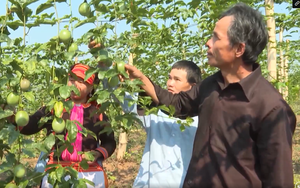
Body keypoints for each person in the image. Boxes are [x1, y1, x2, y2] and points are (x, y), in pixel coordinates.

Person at [123, 3, 297, 188]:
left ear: (239, 49)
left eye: (216, 37)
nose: (208, 42)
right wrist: (140, 79)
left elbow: (279, 181)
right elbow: (177, 104)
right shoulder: (211, 85)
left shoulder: (271, 108)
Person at [16, 63, 116, 188]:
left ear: (91, 87)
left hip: (88, 174)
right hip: (57, 172)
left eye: (81, 81)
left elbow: (110, 142)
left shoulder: (98, 113)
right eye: (72, 79)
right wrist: (13, 117)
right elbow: (30, 125)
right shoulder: (55, 108)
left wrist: (97, 153)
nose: (74, 84)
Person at [120, 60, 202, 188]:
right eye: (169, 78)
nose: (170, 83)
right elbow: (126, 103)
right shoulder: (156, 111)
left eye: (177, 79)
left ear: (193, 87)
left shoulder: (200, 120)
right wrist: (106, 66)